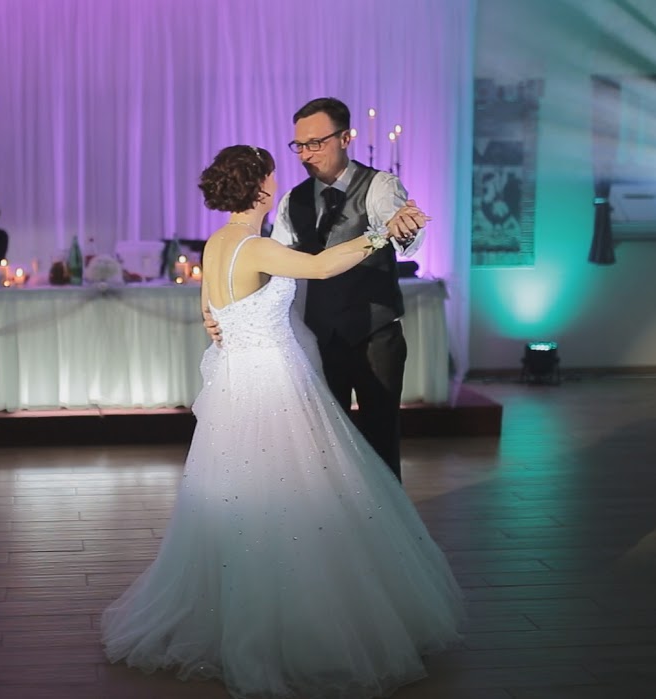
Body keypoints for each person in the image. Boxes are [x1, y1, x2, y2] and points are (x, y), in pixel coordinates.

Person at [102, 145, 463, 699]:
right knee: (300, 497)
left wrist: (218, 325)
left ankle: (234, 614)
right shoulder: (257, 246)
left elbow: (208, 310)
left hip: (234, 385)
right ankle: (300, 628)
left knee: (243, 497)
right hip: (273, 381)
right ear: (262, 188)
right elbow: (320, 266)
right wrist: (381, 235)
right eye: (273, 174)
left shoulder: (217, 244)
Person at [206, 98, 424, 482]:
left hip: (374, 334)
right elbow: (295, 266)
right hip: (317, 339)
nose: (306, 154)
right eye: (300, 145)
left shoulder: (380, 185)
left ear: (345, 138)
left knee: (380, 435)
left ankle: (382, 511)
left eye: (315, 143)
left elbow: (406, 237)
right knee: (324, 448)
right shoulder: (292, 201)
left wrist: (402, 230)